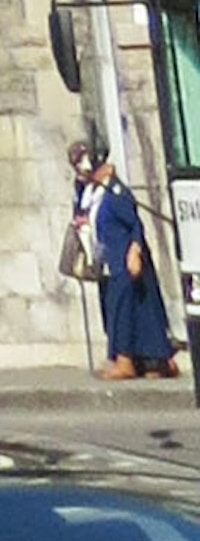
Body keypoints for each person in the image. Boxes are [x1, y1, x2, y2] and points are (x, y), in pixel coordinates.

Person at [80, 143, 178, 380]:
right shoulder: (93, 194)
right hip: (108, 262)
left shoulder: (116, 193)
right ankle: (133, 359)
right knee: (118, 310)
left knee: (126, 310)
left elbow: (135, 224)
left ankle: (127, 362)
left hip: (123, 259)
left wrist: (134, 251)